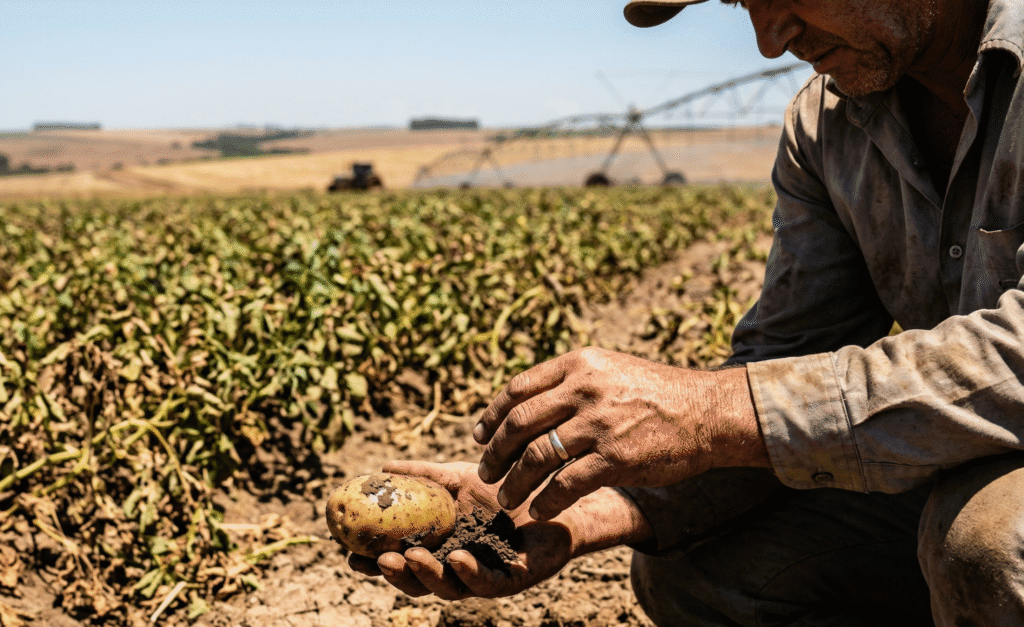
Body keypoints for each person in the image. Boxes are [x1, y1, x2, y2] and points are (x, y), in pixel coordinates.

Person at [348, 0, 1024, 624]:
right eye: (741, 2)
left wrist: (711, 407)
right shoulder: (827, 125)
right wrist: (577, 507)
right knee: (703, 567)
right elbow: (790, 356)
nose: (768, 41)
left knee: (988, 545)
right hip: (977, 449)